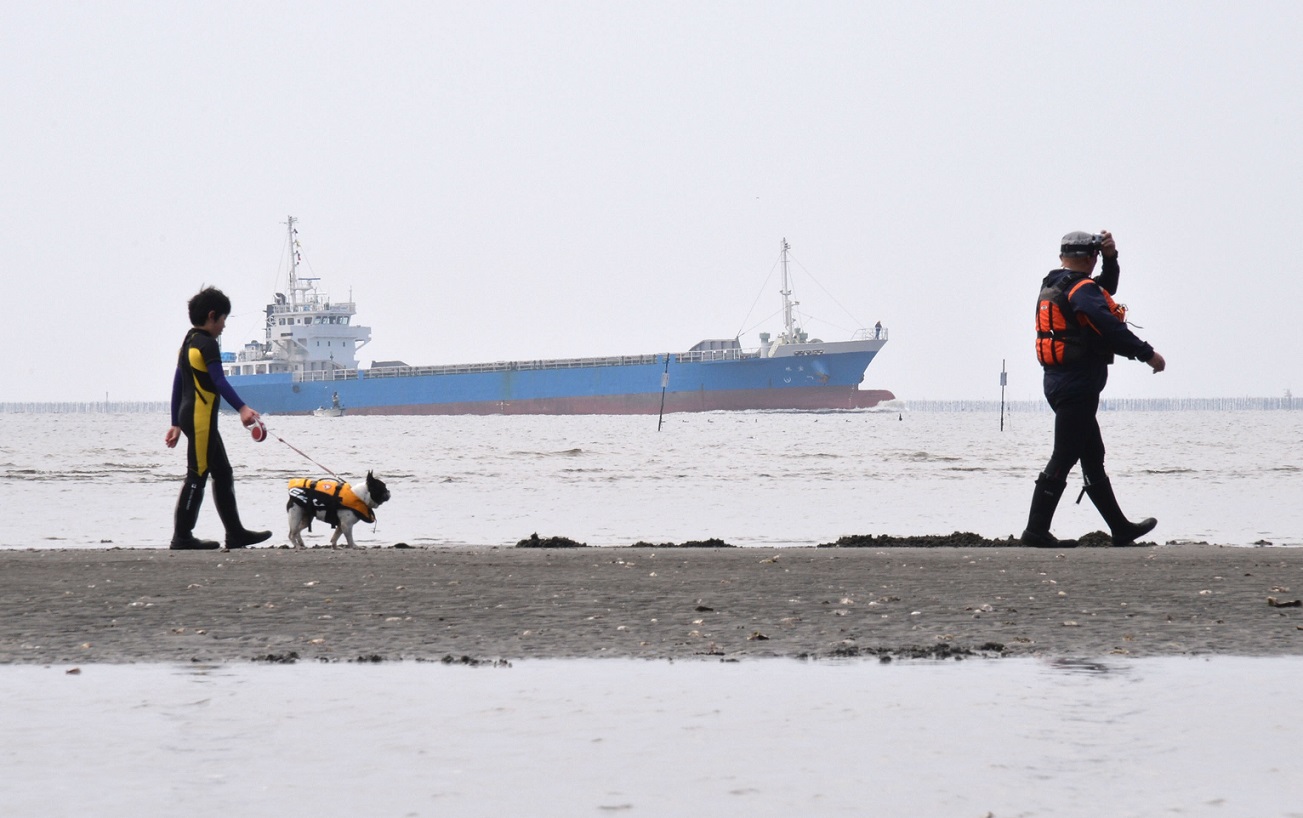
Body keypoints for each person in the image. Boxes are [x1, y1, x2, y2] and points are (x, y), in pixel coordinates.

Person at [1021, 230, 1166, 548]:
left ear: (1063, 257)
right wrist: (1147, 354)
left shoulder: (1055, 283)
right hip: (1077, 385)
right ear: (1090, 258)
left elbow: (1104, 289)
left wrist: (1111, 258)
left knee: (1092, 455)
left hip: (1060, 382)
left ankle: (1120, 528)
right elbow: (1109, 325)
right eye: (1098, 256)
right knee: (1064, 456)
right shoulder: (1081, 290)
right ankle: (1035, 531)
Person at [165, 287, 272, 550]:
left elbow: (178, 383)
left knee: (222, 472)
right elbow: (219, 381)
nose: (224, 326)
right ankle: (182, 537)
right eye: (223, 319)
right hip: (201, 419)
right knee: (197, 474)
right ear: (212, 316)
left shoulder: (188, 341)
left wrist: (175, 422)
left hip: (190, 417)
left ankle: (235, 533)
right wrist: (243, 408)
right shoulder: (208, 344)